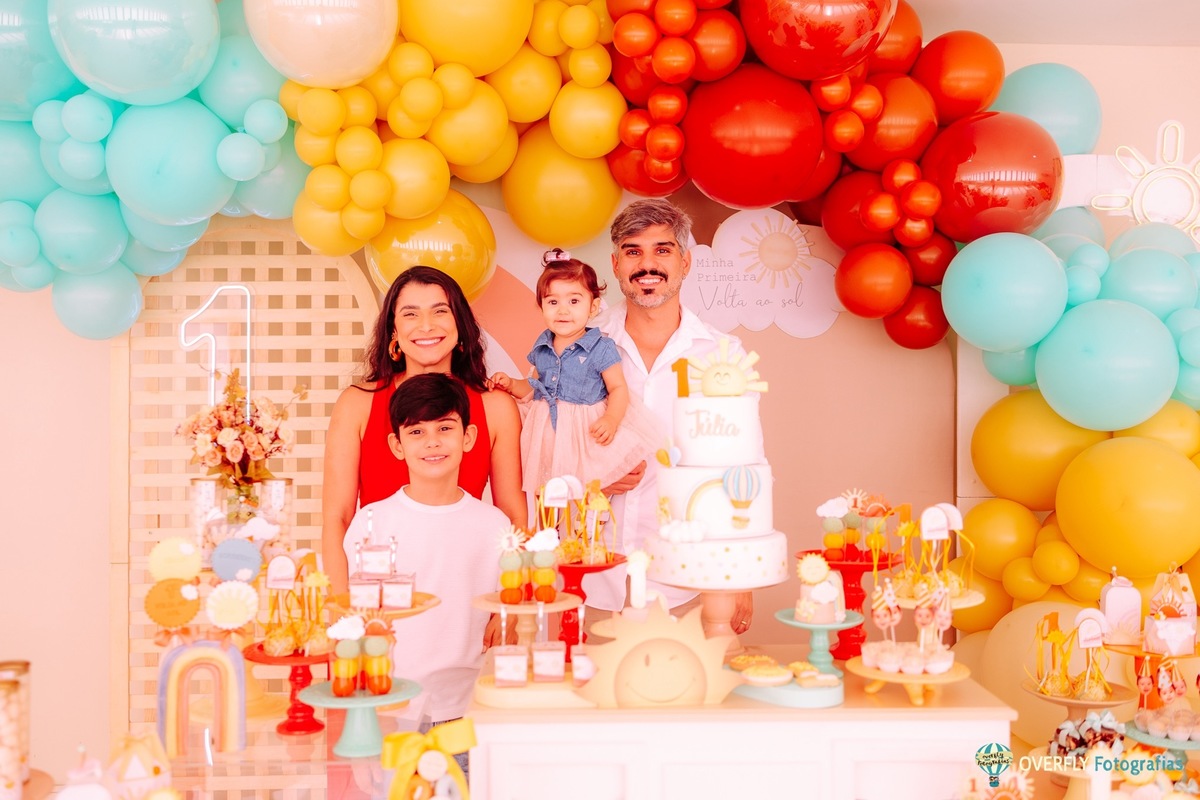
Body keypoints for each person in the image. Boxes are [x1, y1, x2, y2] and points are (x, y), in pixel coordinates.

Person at [583, 198, 755, 632]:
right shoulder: (576, 348)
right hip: (588, 575)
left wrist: (741, 574)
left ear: (686, 262)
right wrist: (593, 475)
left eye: (662, 250)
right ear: (616, 264)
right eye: (633, 251)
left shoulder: (721, 355)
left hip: (686, 578)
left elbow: (738, 466)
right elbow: (543, 451)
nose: (647, 264)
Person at [322, 266, 526, 605]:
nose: (426, 325)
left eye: (440, 311)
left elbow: (514, 515)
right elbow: (336, 517)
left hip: (468, 590)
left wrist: (509, 598)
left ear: (460, 326)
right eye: (410, 314)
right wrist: (342, 608)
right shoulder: (358, 404)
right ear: (394, 331)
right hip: (379, 596)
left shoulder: (496, 407)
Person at [340, 372, 509, 770]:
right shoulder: (371, 522)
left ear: (467, 438)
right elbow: (358, 622)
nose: (432, 441)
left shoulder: (495, 526)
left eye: (445, 428)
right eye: (416, 432)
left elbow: (507, 612)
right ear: (396, 446)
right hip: (391, 711)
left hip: (467, 712)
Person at [487, 248, 659, 495]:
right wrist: (512, 384)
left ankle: (584, 528)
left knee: (585, 492)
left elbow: (617, 388)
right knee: (550, 492)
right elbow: (535, 385)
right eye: (553, 302)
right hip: (548, 432)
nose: (563, 310)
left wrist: (611, 419)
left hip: (583, 431)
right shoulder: (543, 345)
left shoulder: (600, 346)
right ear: (542, 306)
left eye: (574, 301)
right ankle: (553, 532)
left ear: (593, 307)